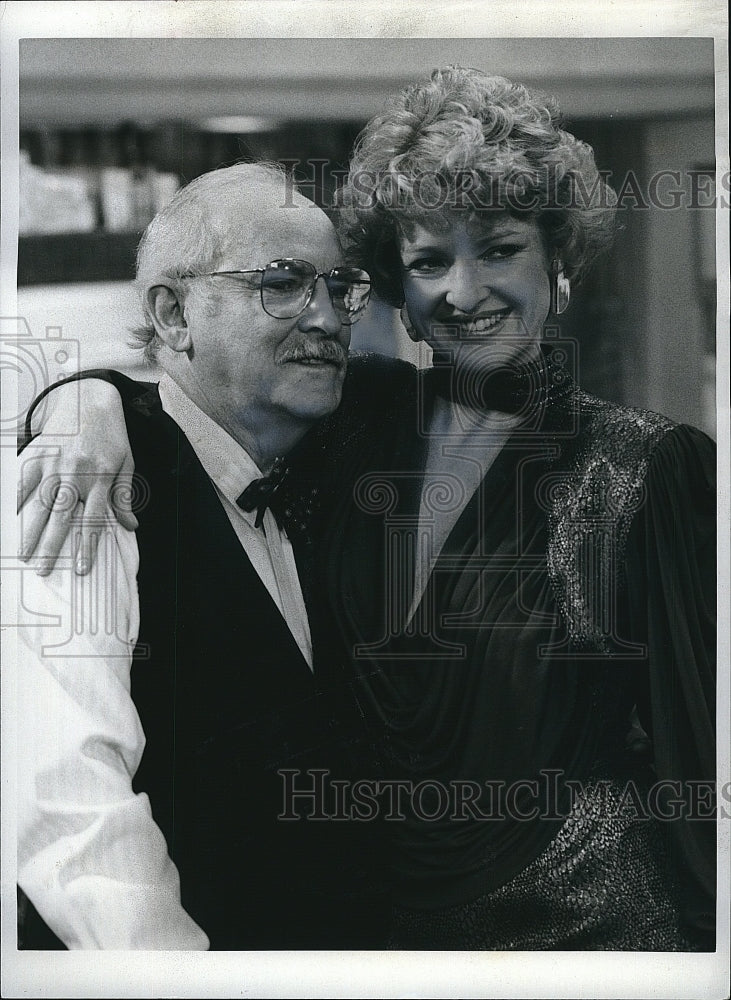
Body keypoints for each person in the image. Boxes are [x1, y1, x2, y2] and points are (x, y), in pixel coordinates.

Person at [18, 68, 717, 951]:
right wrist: (81, 403)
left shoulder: (651, 465)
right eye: (429, 261)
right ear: (398, 294)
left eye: (498, 248)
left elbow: (703, 760)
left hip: (589, 933)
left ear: (559, 267)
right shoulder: (351, 425)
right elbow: (183, 402)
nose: (464, 291)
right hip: (382, 938)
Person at [15, 162, 383, 950]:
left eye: (339, 286)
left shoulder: (330, 467)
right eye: (281, 283)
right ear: (172, 312)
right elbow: (75, 816)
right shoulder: (87, 483)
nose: (325, 316)